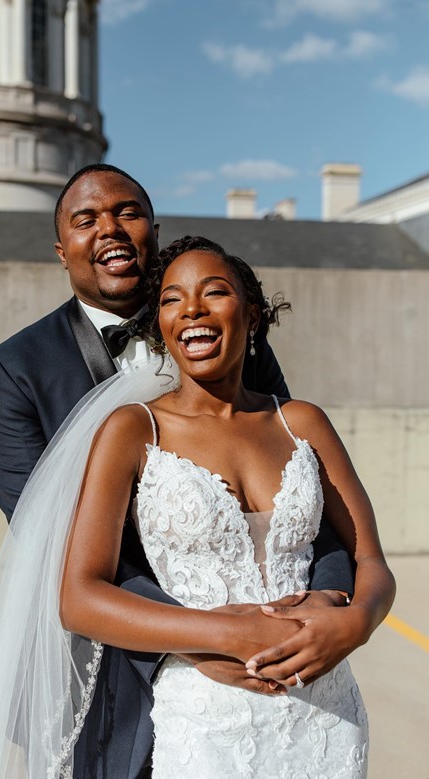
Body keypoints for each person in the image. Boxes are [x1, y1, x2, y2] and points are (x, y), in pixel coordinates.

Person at [0, 165, 360, 779]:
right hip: (106, 662)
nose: (110, 230)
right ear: (61, 249)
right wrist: (196, 639)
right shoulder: (15, 369)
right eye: (86, 220)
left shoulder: (231, 336)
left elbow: (302, 483)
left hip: (274, 657)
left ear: (153, 231)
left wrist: (327, 601)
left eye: (127, 213)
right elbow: (43, 539)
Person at [59, 236, 395, 776]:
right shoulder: (132, 431)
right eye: (171, 299)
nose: (192, 308)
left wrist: (357, 622)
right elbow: (79, 597)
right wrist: (222, 634)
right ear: (161, 324)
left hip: (326, 709)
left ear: (252, 313)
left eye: (214, 292)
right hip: (206, 715)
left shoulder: (302, 422)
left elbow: (372, 561)